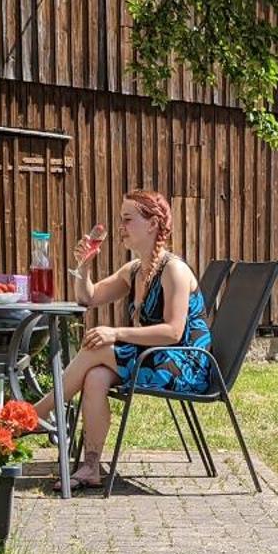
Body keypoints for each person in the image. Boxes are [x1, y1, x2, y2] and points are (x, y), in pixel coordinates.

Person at [52, 189, 211, 490]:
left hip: (184, 365)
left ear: (152, 224)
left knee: (98, 347)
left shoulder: (174, 270)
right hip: (153, 357)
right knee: (97, 375)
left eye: (127, 219)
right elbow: (88, 297)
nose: (121, 227)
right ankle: (90, 466)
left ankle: (36, 415)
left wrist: (116, 333)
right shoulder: (135, 269)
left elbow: (174, 332)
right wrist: (84, 266)